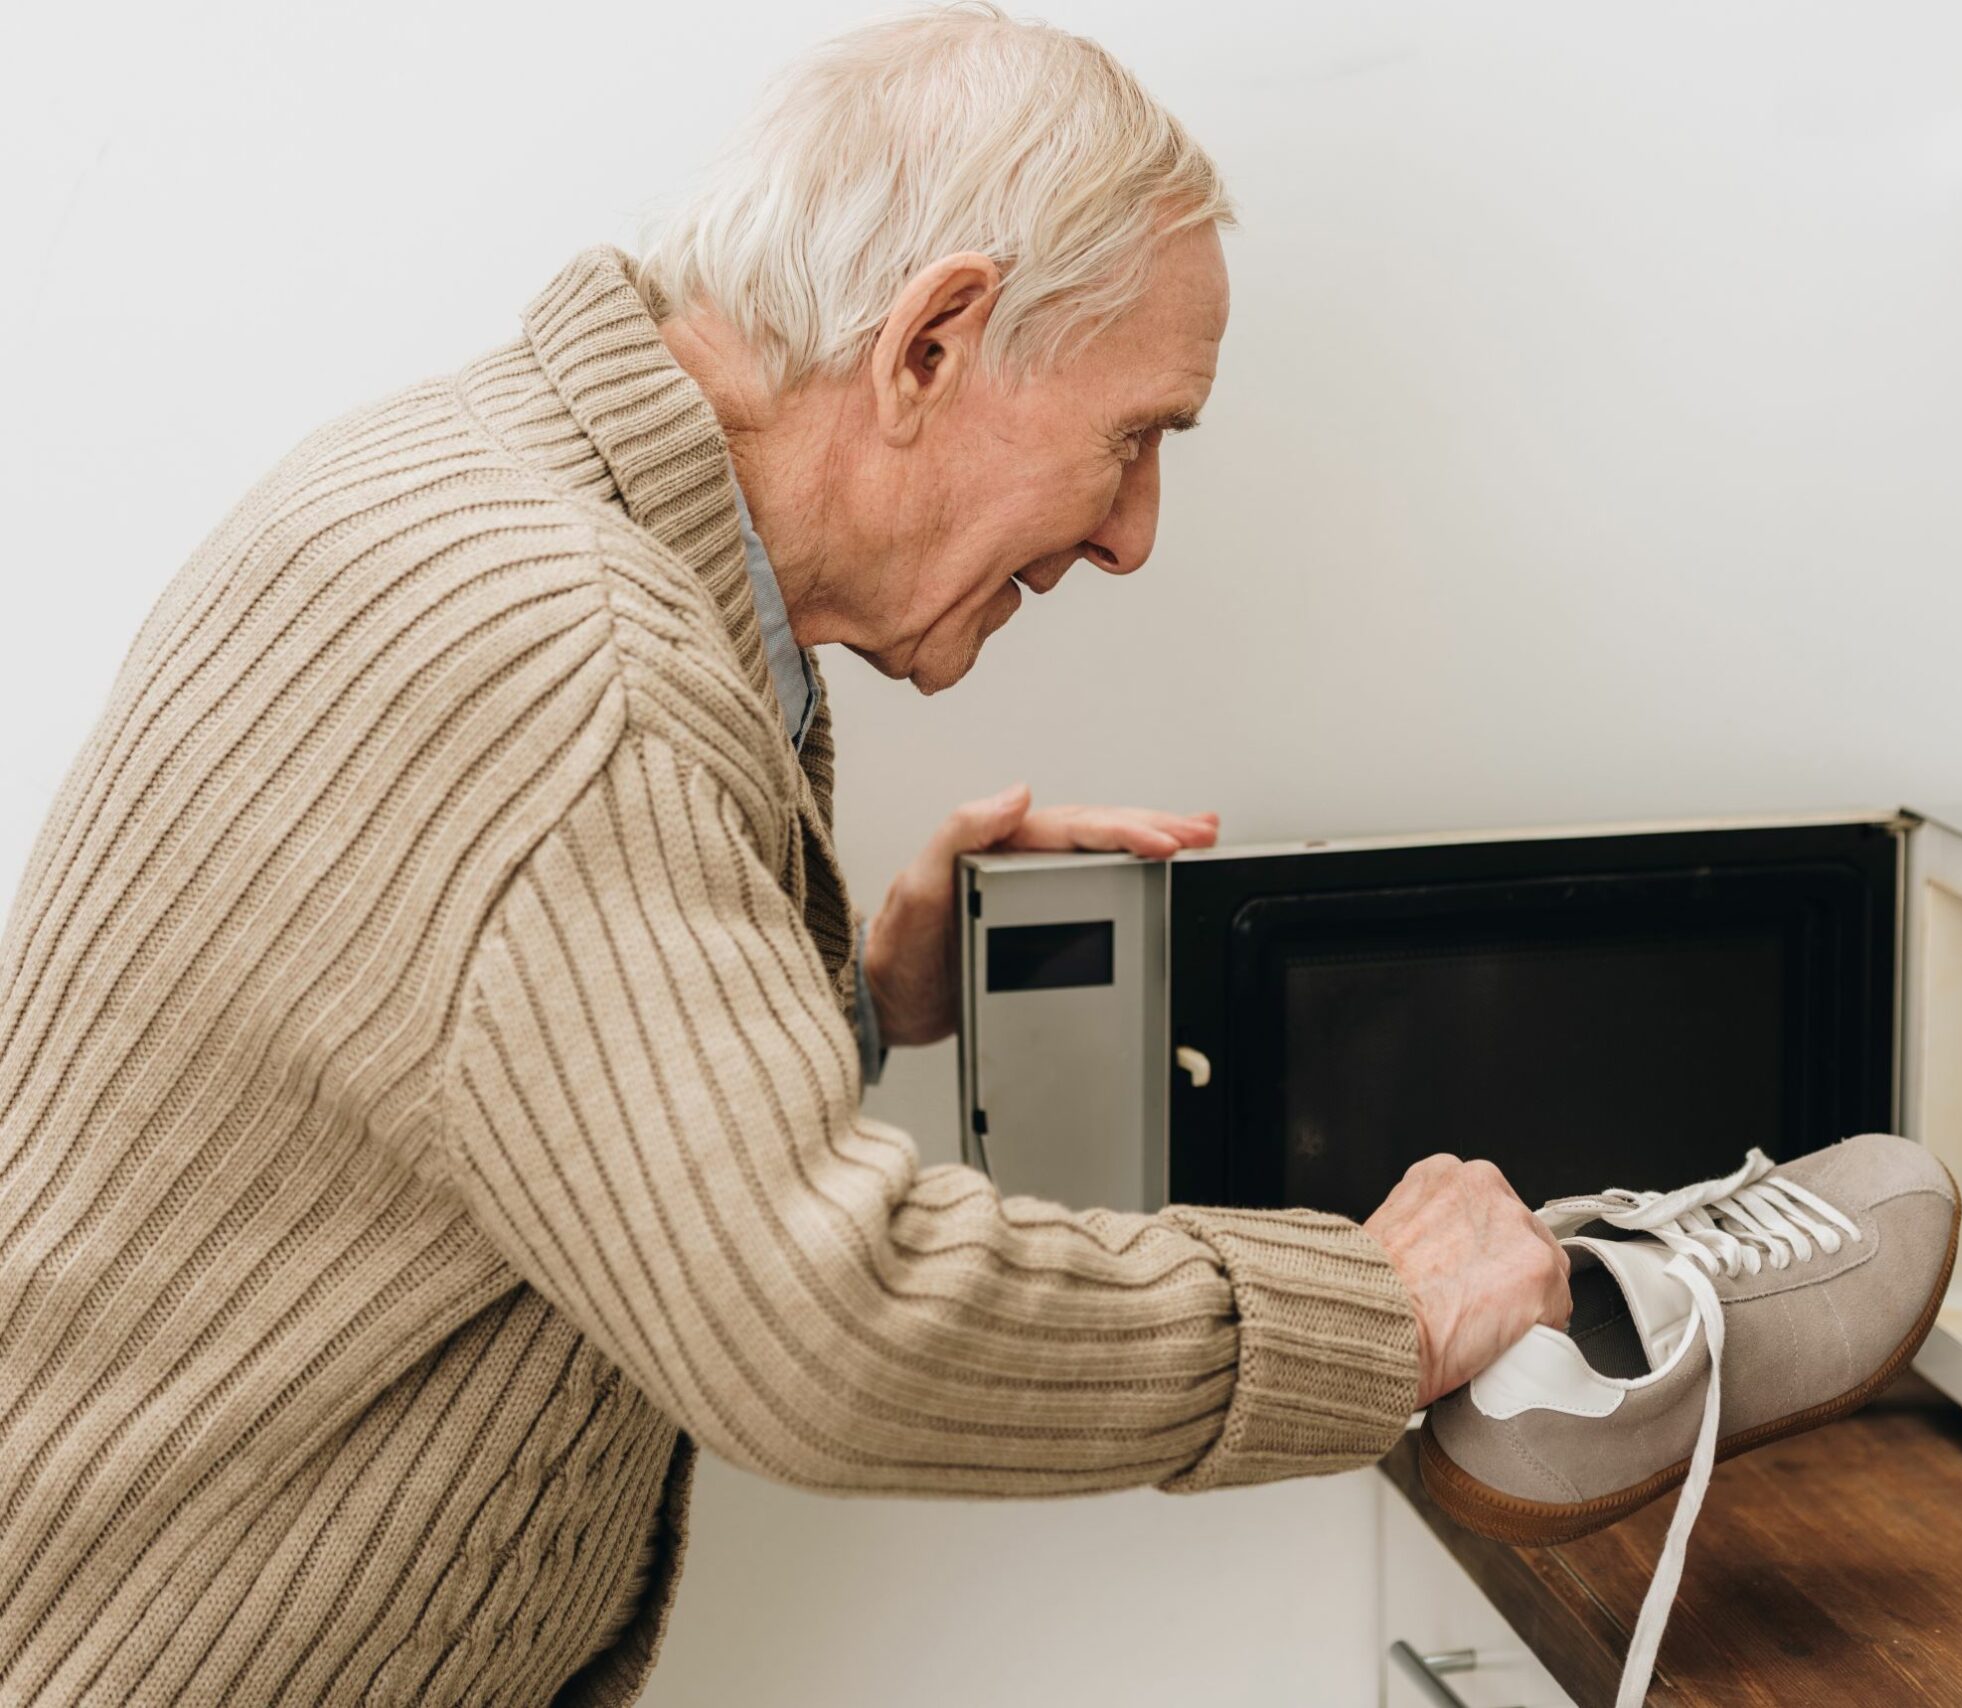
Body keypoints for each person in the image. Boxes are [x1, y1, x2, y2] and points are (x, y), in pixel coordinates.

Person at [0, 11, 1573, 1705]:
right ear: (932, 342)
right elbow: (826, 1321)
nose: (1133, 536)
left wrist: (855, 1000)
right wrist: (1379, 1314)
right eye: (1138, 435)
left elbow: (504, 1092)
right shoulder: (575, 667)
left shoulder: (483, 494)